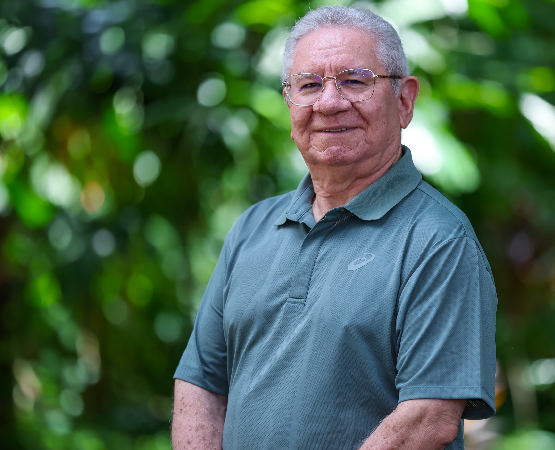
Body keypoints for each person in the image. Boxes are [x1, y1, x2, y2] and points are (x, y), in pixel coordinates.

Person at [172, 6, 497, 450]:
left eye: (355, 80)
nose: (329, 103)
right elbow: (201, 384)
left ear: (404, 100)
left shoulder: (439, 240)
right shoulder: (252, 228)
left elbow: (428, 420)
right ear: (289, 103)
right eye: (308, 85)